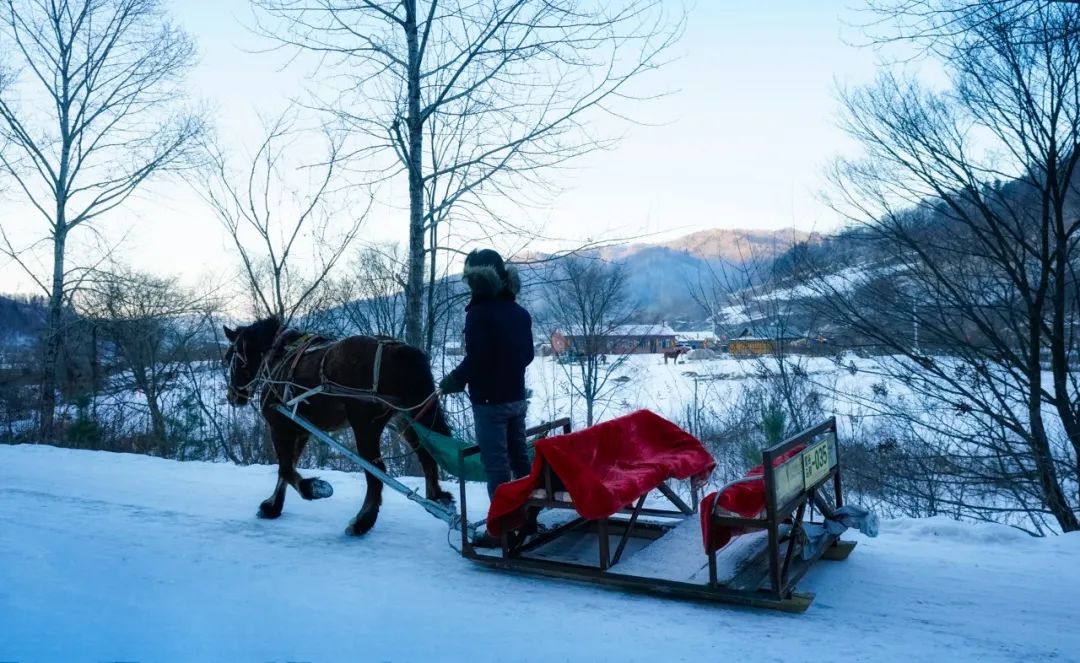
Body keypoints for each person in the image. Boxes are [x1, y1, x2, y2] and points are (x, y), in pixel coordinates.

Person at [439, 249, 535, 501]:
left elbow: (477, 359)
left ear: (476, 279)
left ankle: (502, 531)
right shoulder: (520, 313)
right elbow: (528, 357)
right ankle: (529, 514)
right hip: (516, 399)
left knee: (496, 467)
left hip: (490, 405)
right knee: (520, 459)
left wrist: (455, 379)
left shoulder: (478, 315)